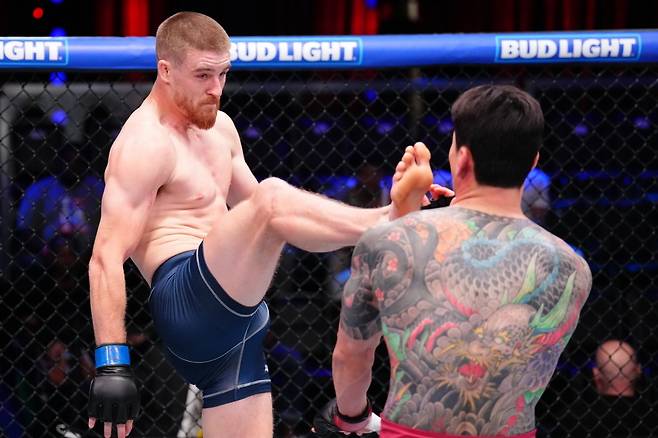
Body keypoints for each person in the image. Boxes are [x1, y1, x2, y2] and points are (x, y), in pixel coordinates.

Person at [86, 11, 445, 438]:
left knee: (271, 207)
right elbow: (105, 256)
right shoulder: (145, 142)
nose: (216, 88)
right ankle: (391, 220)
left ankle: (397, 219)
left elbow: (273, 221)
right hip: (187, 300)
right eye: (203, 75)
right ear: (165, 71)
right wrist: (112, 362)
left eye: (223, 74)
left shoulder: (221, 129)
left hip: (237, 329)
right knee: (272, 197)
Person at [314, 84, 593, 437]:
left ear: (461, 157)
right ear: (533, 161)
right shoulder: (571, 268)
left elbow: (352, 356)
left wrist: (352, 418)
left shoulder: (389, 240)